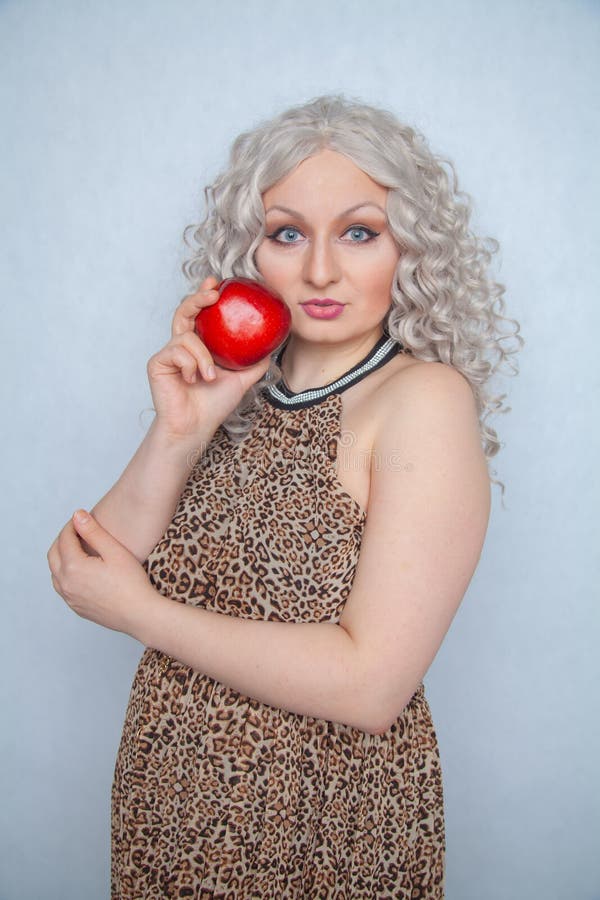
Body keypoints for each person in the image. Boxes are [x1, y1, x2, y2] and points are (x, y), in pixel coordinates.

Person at [47, 95, 522, 898]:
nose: (322, 271)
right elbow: (89, 567)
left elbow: (373, 686)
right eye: (288, 233)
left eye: (360, 232)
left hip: (319, 819)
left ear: (410, 247)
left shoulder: (423, 399)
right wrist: (181, 428)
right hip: (171, 812)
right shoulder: (234, 397)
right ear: (251, 251)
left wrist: (145, 615)